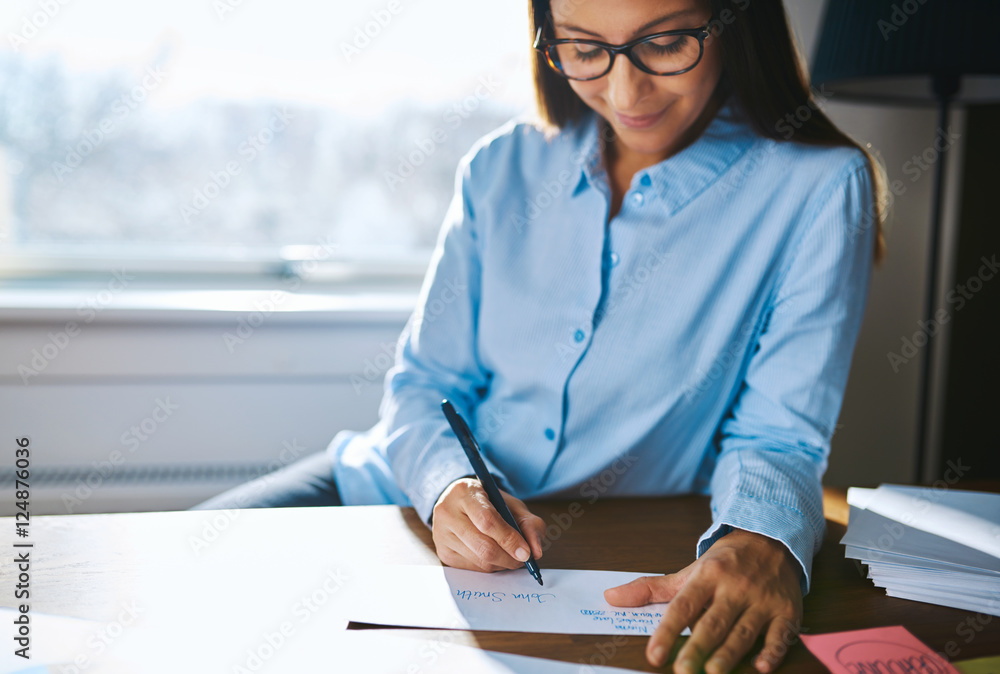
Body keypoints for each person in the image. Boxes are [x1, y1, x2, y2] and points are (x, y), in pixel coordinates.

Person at [194, 0, 887, 671]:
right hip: (388, 493)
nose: (624, 90)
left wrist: (759, 541)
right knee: (172, 588)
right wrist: (447, 487)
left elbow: (778, 435)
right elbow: (424, 386)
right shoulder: (501, 168)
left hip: (596, 548)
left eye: (666, 43)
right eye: (584, 49)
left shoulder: (817, 189)